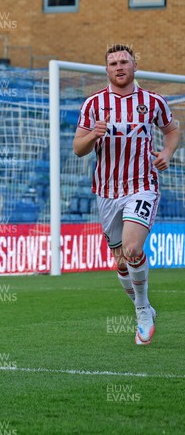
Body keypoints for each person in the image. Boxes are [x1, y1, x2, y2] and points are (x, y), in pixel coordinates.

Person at [73, 44, 179, 345]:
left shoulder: (153, 101)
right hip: (106, 191)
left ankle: (143, 310)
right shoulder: (93, 105)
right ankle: (141, 305)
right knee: (121, 261)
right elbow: (77, 148)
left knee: (132, 250)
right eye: (113, 63)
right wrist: (93, 134)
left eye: (124, 62)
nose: (119, 67)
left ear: (135, 66)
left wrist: (168, 153)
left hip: (142, 185)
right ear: (106, 70)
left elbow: (172, 130)